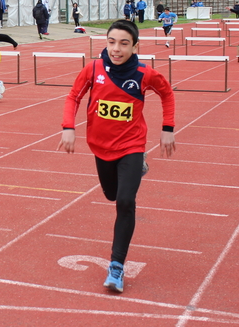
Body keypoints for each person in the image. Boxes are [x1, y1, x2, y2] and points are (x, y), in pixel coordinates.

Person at [56, 19, 176, 293]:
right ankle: (136, 170)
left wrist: (167, 129)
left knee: (124, 201)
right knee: (111, 194)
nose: (116, 49)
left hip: (132, 144)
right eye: (111, 42)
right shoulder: (94, 68)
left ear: (135, 46)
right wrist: (68, 128)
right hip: (100, 145)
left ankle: (117, 267)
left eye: (123, 43)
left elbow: (167, 94)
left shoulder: (145, 74)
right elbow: (73, 97)